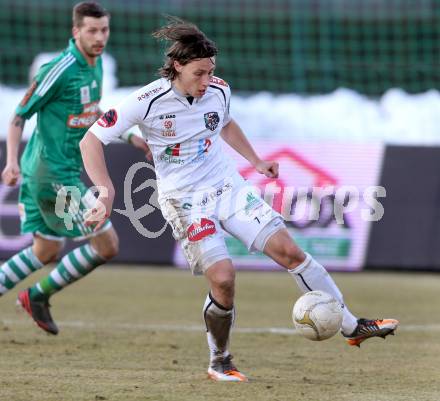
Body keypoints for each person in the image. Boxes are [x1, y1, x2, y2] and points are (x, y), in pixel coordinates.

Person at [79, 17, 399, 382]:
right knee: (224, 279)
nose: (206, 81)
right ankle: (220, 360)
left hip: (228, 188)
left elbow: (225, 123)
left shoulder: (218, 90)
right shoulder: (146, 101)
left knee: (291, 253)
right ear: (178, 67)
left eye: (211, 71)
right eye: (199, 73)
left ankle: (351, 325)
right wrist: (105, 191)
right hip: (185, 201)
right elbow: (91, 140)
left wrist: (256, 161)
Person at [0, 1, 150, 335]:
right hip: (51, 174)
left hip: (61, 170)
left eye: (104, 30)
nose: (100, 37)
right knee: (107, 244)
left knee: (46, 250)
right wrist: (10, 162)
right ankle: (37, 295)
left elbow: (89, 114)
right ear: (76, 31)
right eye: (92, 31)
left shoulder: (94, 66)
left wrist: (129, 136)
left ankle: (35, 297)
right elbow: (18, 116)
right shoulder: (60, 68)